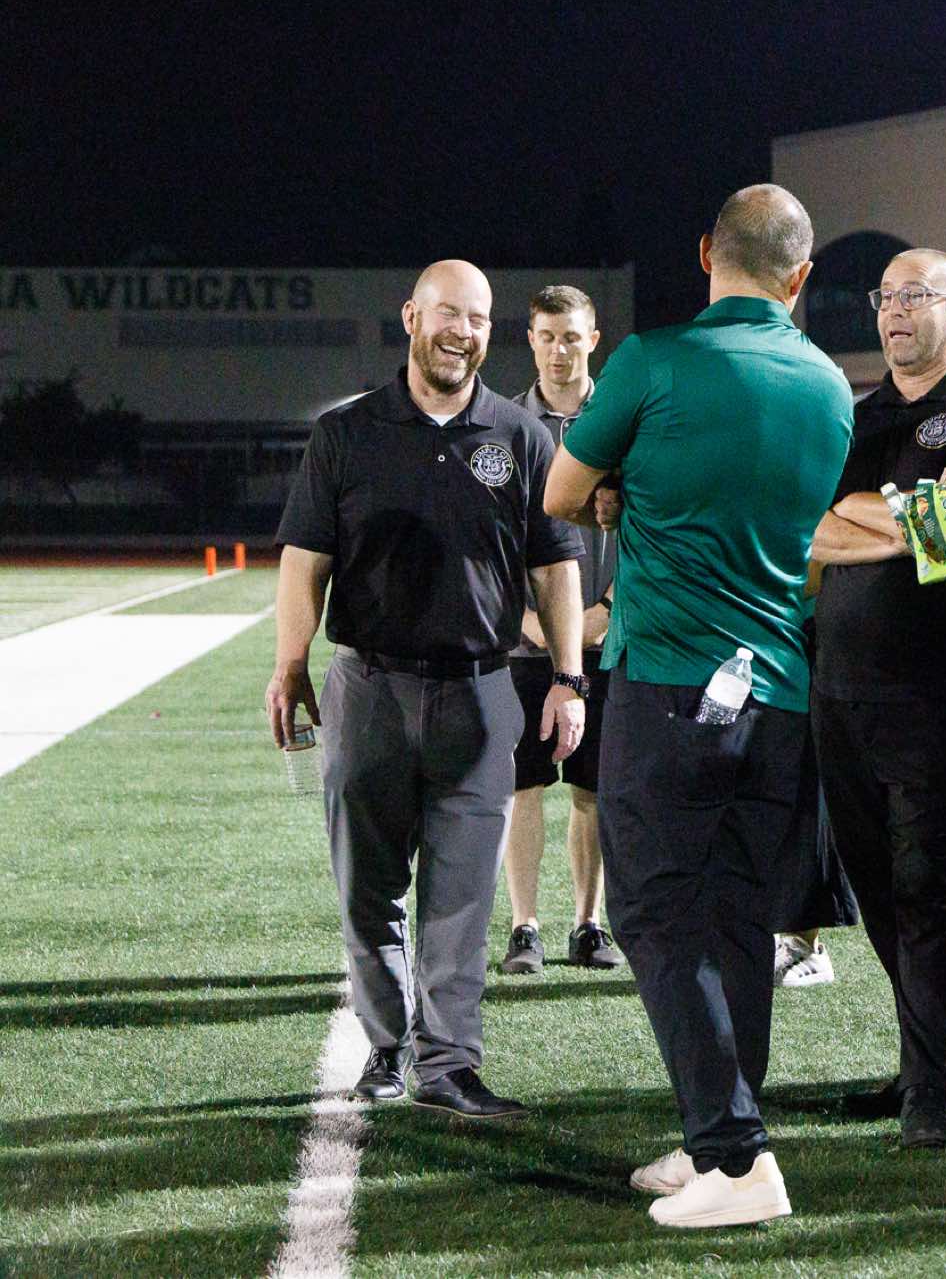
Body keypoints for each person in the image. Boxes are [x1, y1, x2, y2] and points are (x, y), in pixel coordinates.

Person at [544, 185, 852, 1229]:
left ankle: (736, 1155)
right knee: (735, 921)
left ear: (706, 251)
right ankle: (717, 1133)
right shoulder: (828, 383)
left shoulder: (652, 360)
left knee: (650, 911)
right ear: (800, 277)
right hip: (778, 688)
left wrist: (625, 488)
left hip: (671, 680)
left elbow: (561, 492)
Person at [266, 259, 588, 1122]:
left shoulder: (521, 436)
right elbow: (304, 560)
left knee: (463, 897)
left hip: (481, 693)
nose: (462, 331)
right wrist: (290, 663)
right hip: (368, 689)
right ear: (412, 316)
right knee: (368, 887)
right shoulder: (347, 433)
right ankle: (385, 1045)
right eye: (448, 313)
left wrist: (567, 677)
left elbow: (555, 566)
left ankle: (449, 1063)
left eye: (477, 319)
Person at [809, 247, 946, 1149]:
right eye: (885, 296)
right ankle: (941, 1059)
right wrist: (907, 518)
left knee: (927, 887)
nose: (893, 310)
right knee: (878, 889)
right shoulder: (855, 416)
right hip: (839, 689)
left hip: (942, 689)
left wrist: (879, 515)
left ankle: (928, 1094)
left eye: (914, 295)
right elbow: (810, 529)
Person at [499, 284, 622, 976]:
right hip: (525, 640)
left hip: (606, 636)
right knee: (523, 786)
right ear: (530, 339)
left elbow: (650, 526)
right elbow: (491, 540)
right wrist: (526, 617)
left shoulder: (623, 420)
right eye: (546, 336)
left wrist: (605, 612)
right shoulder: (504, 423)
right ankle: (524, 927)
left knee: (591, 789)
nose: (558, 350)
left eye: (571, 337)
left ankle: (587, 922)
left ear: (593, 339)